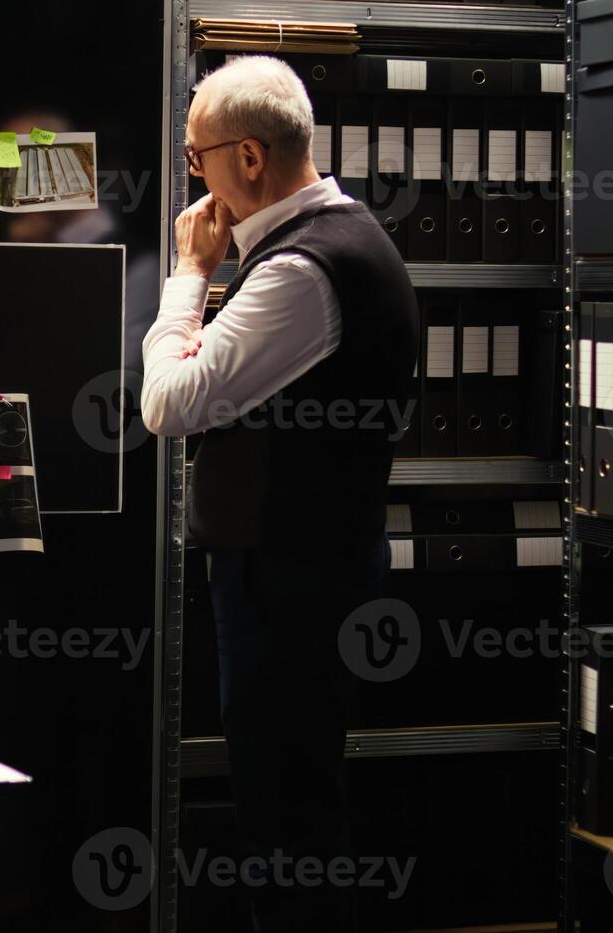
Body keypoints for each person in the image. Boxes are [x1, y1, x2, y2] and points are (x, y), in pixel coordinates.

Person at [139, 55, 418, 931]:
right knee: (291, 813)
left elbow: (167, 404)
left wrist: (189, 274)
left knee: (287, 825)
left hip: (289, 587)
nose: (197, 175)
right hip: (303, 571)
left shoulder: (302, 271)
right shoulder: (328, 244)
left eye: (197, 156)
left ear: (249, 160)